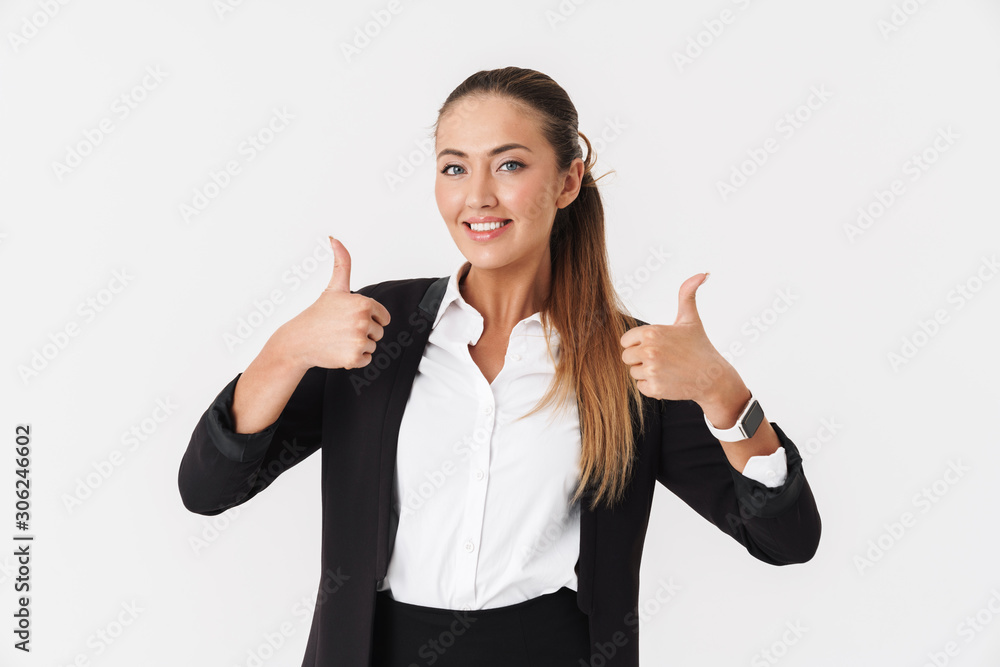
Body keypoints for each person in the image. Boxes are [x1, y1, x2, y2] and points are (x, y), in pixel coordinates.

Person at [178, 66, 821, 667]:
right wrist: (285, 350)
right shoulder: (373, 332)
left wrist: (724, 395)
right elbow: (206, 490)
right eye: (454, 168)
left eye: (509, 164)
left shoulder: (630, 364)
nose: (477, 197)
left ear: (568, 182)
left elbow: (787, 540)